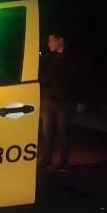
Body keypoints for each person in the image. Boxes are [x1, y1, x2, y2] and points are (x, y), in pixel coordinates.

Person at [40, 32, 86, 171]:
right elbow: (44, 77)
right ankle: (46, 161)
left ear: (60, 40)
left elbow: (80, 79)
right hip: (49, 100)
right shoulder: (49, 58)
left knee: (64, 133)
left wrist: (81, 100)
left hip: (66, 101)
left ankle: (64, 163)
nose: (49, 44)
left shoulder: (73, 58)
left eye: (51, 40)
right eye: (48, 41)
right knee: (48, 133)